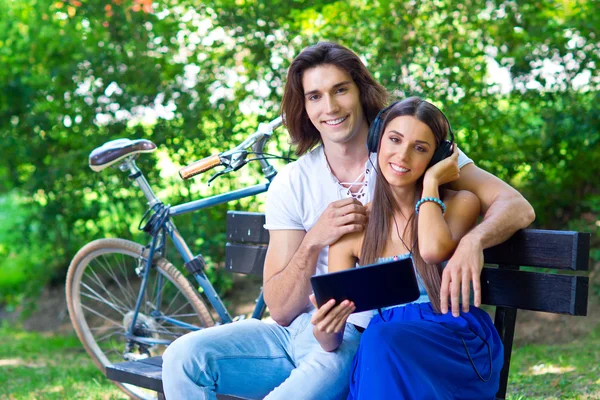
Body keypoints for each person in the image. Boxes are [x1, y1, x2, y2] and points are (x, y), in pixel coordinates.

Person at [162, 42, 534, 400]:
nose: (330, 106)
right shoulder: (292, 181)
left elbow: (515, 205)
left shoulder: (403, 151)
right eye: (315, 96)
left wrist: (473, 241)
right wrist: (314, 239)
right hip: (303, 331)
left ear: (361, 92)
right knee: (183, 357)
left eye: (340, 90)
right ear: (303, 106)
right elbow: (280, 308)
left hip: (359, 335)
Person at [312, 97, 504, 399]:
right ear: (377, 140)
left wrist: (430, 185)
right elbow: (332, 338)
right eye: (394, 139)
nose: (402, 155)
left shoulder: (460, 203)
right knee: (379, 340)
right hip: (387, 348)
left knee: (380, 339)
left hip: (452, 341)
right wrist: (324, 329)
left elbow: (431, 250)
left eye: (420, 148)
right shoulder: (353, 230)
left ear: (437, 158)